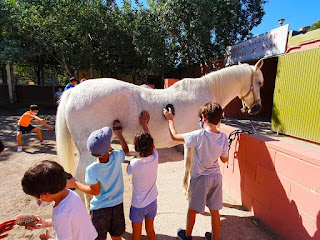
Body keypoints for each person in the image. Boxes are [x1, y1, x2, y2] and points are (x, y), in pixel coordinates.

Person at [163, 102, 229, 240]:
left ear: (204, 118)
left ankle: (187, 236)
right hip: (216, 177)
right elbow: (224, 159)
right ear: (219, 119)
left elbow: (175, 137)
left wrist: (170, 120)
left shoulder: (199, 135)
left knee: (192, 209)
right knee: (215, 210)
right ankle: (214, 237)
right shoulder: (223, 137)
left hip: (200, 178)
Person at [67, 121, 129, 240]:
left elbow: (94, 191)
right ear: (108, 148)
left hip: (100, 210)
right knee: (116, 236)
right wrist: (119, 134)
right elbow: (125, 150)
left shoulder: (91, 169)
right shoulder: (116, 156)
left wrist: (75, 184)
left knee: (99, 237)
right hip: (117, 205)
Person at [21, 160, 98, 240]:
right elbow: (70, 220)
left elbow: (63, 219)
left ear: (44, 196)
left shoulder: (60, 215)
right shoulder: (71, 195)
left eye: (36, 197)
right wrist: (46, 223)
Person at [127, 111, 158, 240]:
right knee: (150, 230)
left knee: (136, 234)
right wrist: (145, 125)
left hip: (138, 206)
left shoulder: (134, 164)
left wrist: (136, 154)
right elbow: (153, 145)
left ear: (136, 149)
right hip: (152, 203)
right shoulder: (155, 157)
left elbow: (128, 170)